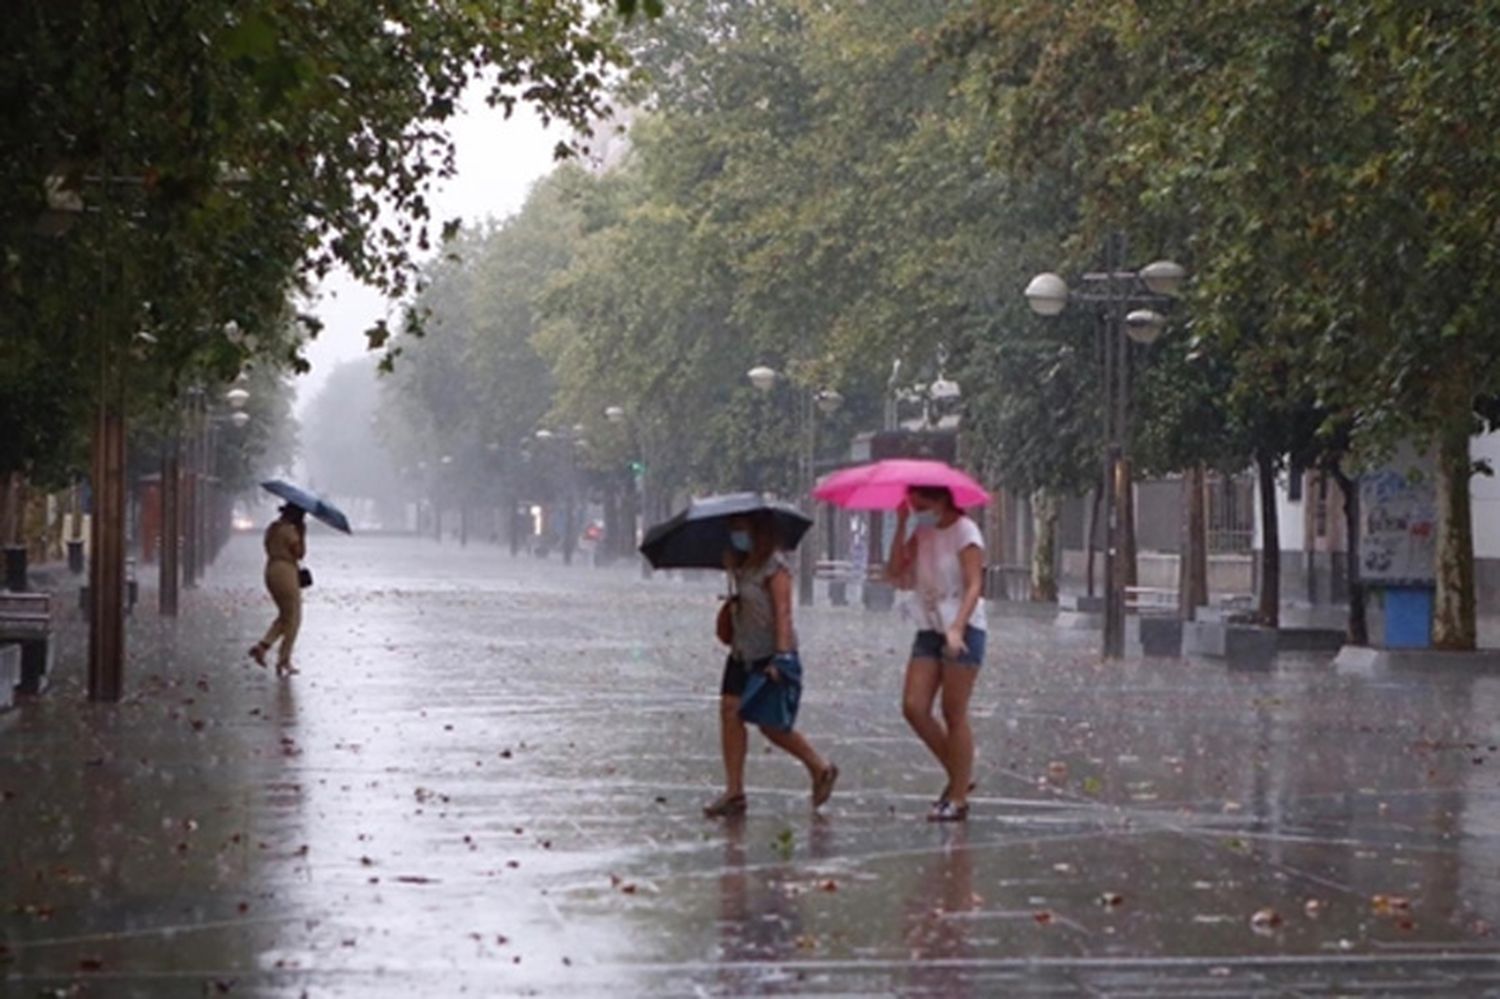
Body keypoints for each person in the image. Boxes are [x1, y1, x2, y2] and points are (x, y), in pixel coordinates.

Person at [704, 511, 838, 818]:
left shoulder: (775, 566)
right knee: (729, 712)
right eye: (732, 528)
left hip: (769, 654)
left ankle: (820, 767)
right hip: (741, 652)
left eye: (741, 527)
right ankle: (734, 791)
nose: (736, 534)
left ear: (757, 530)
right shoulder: (738, 565)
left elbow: (783, 613)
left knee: (771, 725)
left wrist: (781, 656)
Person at [886, 485, 986, 822]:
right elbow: (895, 575)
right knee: (914, 706)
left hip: (963, 629)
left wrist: (958, 627)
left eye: (923, 504)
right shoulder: (922, 531)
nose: (918, 510)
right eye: (913, 505)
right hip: (929, 628)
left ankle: (958, 797)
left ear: (943, 500)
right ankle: (960, 774)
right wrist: (901, 526)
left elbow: (974, 583)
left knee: (953, 711)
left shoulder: (965, 531)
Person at [249, 504, 307, 676]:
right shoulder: (290, 531)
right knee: (294, 618)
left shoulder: (272, 528)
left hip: (271, 569)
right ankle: (284, 660)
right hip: (286, 571)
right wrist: (302, 534)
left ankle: (263, 646)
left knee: (285, 615)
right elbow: (299, 553)